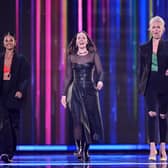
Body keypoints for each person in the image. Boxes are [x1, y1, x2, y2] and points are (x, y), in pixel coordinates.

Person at [61, 31, 104, 162]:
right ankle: (79, 148)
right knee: (77, 120)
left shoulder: (93, 55)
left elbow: (101, 71)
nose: (81, 40)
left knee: (89, 121)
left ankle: (86, 149)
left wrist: (100, 81)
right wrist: (64, 94)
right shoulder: (71, 57)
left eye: (83, 38)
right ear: (75, 41)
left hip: (90, 91)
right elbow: (68, 77)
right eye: (78, 38)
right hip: (75, 91)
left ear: (87, 41)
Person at [138, 16, 168, 161]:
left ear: (163, 30)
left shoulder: (167, 46)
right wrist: (140, 87)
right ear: (150, 29)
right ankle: (152, 148)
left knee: (163, 116)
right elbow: (140, 69)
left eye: (158, 27)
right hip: (150, 84)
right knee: (151, 115)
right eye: (154, 27)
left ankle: (162, 148)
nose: (156, 29)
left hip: (164, 83)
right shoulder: (143, 47)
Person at [0, 32, 29, 163]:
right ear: (3, 43)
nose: (8, 43)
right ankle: (5, 152)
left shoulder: (21, 59)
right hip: (2, 94)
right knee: (4, 123)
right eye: (6, 41)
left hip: (14, 94)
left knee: (13, 125)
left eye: (11, 40)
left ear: (15, 42)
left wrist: (21, 91)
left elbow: (25, 77)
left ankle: (10, 152)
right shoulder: (0, 57)